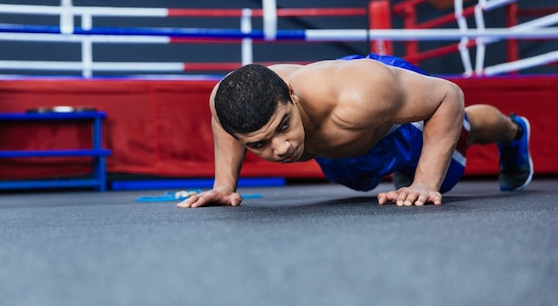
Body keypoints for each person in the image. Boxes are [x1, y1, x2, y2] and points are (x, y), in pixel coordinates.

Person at [177, 54, 533, 208]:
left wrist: (425, 180)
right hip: (346, 146)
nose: (282, 148)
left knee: (457, 138)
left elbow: (447, 96)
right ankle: (401, 171)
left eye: (283, 126)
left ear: (291, 92)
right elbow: (224, 125)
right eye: (260, 144)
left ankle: (513, 132)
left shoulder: (362, 94)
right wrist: (224, 185)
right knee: (358, 180)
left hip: (385, 114)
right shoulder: (225, 98)